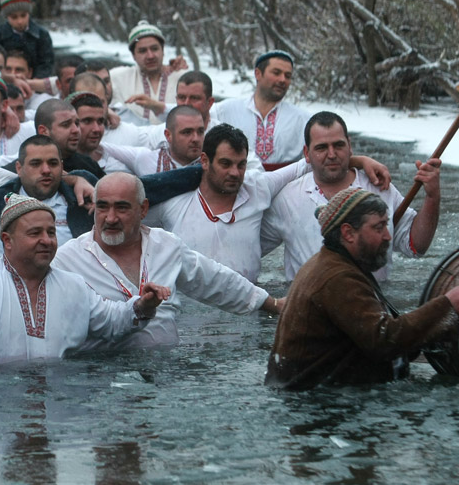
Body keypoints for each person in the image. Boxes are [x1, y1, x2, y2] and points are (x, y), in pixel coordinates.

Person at [0, 193, 169, 365]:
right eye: (35, 233)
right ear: (7, 241)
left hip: (57, 403)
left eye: (51, 232)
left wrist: (143, 306)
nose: (47, 240)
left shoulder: (73, 284)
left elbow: (112, 320)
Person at [53, 173, 277, 350]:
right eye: (102, 207)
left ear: (143, 209)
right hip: (103, 376)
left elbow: (215, 281)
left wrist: (273, 305)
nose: (110, 218)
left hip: (166, 374)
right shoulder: (68, 259)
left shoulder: (166, 245)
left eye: (122, 208)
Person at [265, 188, 459, 390]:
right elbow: (385, 341)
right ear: (348, 233)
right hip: (318, 404)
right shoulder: (337, 278)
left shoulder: (339, 264)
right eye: (379, 227)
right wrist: (448, 305)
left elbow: (387, 339)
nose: (388, 236)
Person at [156, 124, 386, 282]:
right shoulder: (173, 204)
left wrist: (360, 160)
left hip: (248, 312)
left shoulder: (258, 187)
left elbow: (307, 164)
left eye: (241, 164)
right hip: (191, 317)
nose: (235, 173)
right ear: (205, 161)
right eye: (225, 164)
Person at [262, 111, 441, 282]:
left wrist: (432, 197)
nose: (331, 154)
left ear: (349, 146)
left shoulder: (379, 187)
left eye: (338, 145)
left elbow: (416, 246)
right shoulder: (287, 198)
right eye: (322, 148)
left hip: (373, 305)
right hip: (311, 309)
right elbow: (250, 250)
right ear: (307, 154)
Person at [0, 135, 92, 248]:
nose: (46, 170)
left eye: (53, 163)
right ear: (19, 168)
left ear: (61, 166)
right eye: (36, 164)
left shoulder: (84, 202)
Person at [210, 50, 308, 170]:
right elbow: (193, 120)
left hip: (286, 185)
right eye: (276, 73)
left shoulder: (302, 119)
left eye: (287, 76)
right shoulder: (225, 110)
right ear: (258, 74)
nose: (283, 80)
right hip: (234, 183)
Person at [108, 20, 186, 125]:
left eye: (154, 49)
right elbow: (88, 89)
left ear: (163, 50)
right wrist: (106, 111)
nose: (150, 56)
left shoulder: (181, 78)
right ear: (133, 56)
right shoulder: (118, 77)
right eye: (142, 51)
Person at [0, 0, 54, 79]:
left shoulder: (42, 35)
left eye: (23, 15)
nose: (20, 21)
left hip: (34, 84)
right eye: (14, 17)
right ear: (6, 17)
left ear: (29, 13)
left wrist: (35, 82)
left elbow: (46, 64)